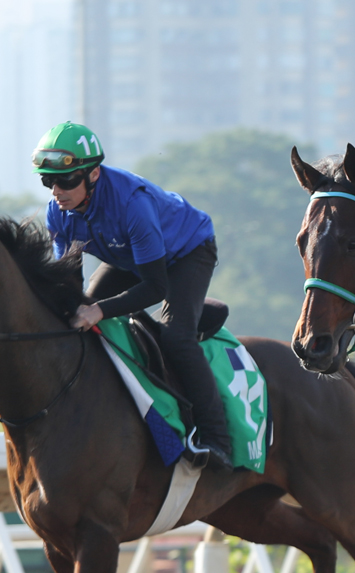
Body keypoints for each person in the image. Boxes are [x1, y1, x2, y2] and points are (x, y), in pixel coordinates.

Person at [32, 121, 233, 470]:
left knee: (176, 338)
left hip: (187, 252)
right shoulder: (58, 213)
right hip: (128, 256)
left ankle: (218, 439)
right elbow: (70, 284)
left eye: (65, 180)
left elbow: (156, 287)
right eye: (47, 181)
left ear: (93, 174)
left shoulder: (132, 205)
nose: (56, 191)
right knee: (80, 318)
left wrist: (100, 310)